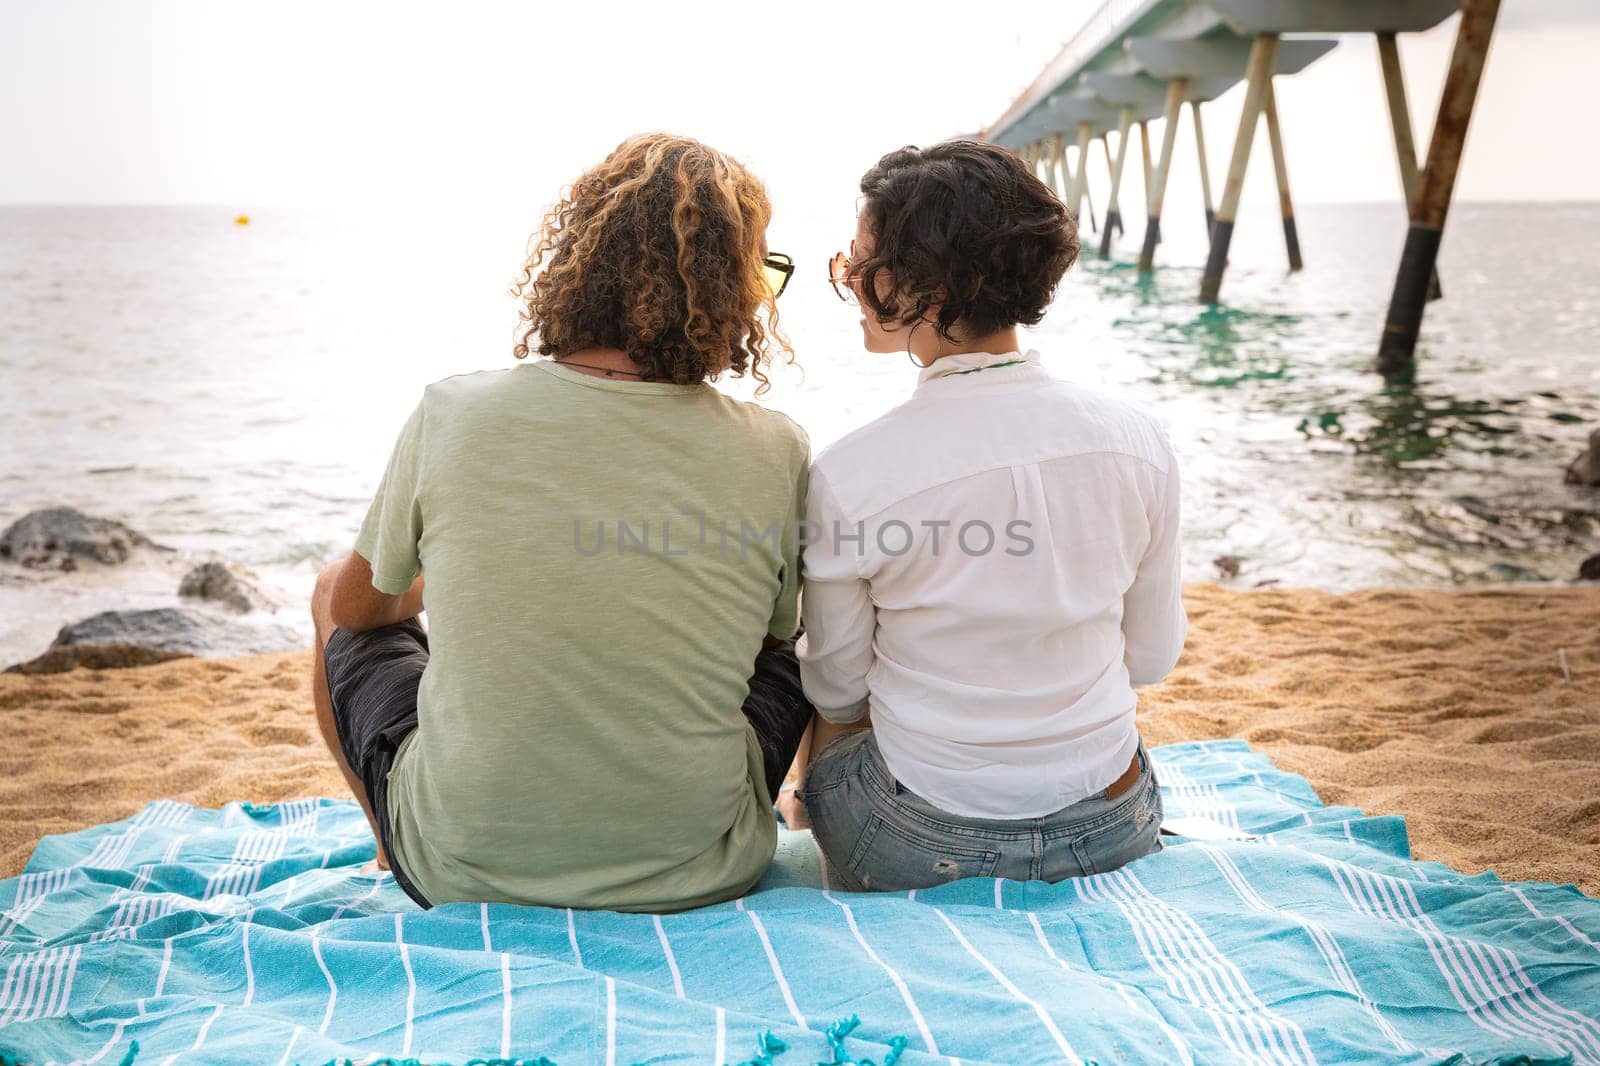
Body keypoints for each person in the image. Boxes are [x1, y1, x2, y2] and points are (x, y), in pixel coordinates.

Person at [309, 133, 813, 912]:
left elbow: (354, 614)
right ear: (727, 296)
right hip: (699, 867)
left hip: (459, 871)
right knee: (807, 626)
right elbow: (773, 634)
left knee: (329, 591)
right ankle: (794, 808)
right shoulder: (775, 447)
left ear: (581, 262)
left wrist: (455, 579)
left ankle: (394, 843)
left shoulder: (456, 414)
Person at [792, 140, 1186, 892]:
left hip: (911, 843)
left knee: (819, 689)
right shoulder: (1141, 439)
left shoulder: (852, 472)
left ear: (930, 295)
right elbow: (1152, 659)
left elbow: (838, 690)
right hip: (1112, 825)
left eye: (861, 263)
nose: (847, 277)